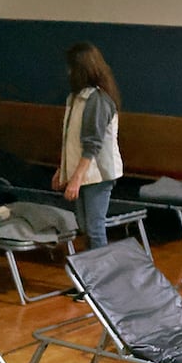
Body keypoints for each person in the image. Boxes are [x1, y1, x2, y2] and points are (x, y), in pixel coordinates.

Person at [52, 42, 124, 250]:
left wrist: (76, 178)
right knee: (86, 227)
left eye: (71, 67)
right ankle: (91, 277)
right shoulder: (76, 98)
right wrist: (63, 169)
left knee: (95, 229)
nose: (68, 72)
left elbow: (92, 145)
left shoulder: (98, 100)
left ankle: (101, 278)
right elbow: (71, 140)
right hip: (84, 173)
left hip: (97, 175)